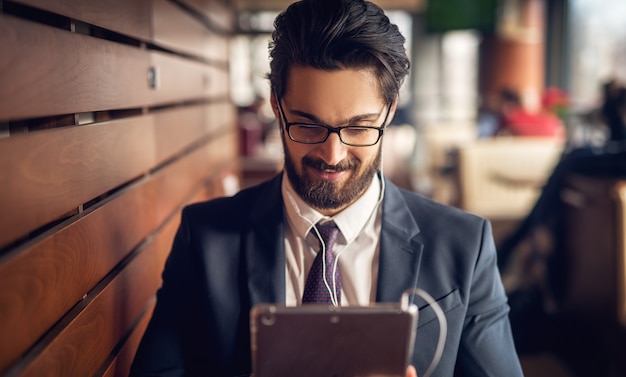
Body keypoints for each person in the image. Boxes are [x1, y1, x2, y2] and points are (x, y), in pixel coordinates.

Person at [130, 0, 523, 376]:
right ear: (275, 105)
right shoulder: (205, 237)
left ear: (389, 111)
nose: (332, 154)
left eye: (358, 127)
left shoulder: (464, 244)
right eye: (308, 125)